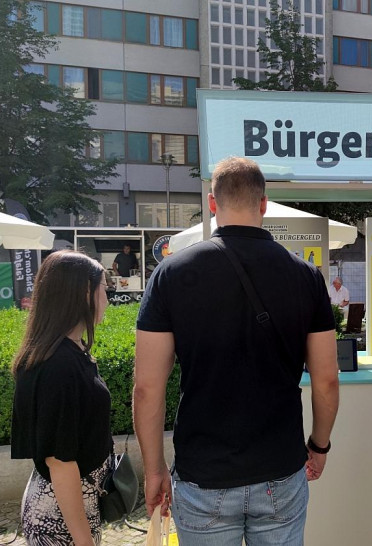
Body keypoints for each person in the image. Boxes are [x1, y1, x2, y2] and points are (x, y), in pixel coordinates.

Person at [134, 157, 340, 545]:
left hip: (203, 474)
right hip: (280, 469)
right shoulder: (307, 277)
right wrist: (319, 445)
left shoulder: (172, 274)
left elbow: (147, 388)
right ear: (263, 204)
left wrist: (154, 468)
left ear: (213, 204)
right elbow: (327, 379)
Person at [11, 251, 112, 546]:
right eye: (104, 288)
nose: (107, 297)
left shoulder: (70, 351)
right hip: (59, 520)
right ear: (84, 292)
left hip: (72, 508)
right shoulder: (58, 364)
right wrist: (84, 542)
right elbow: (60, 461)